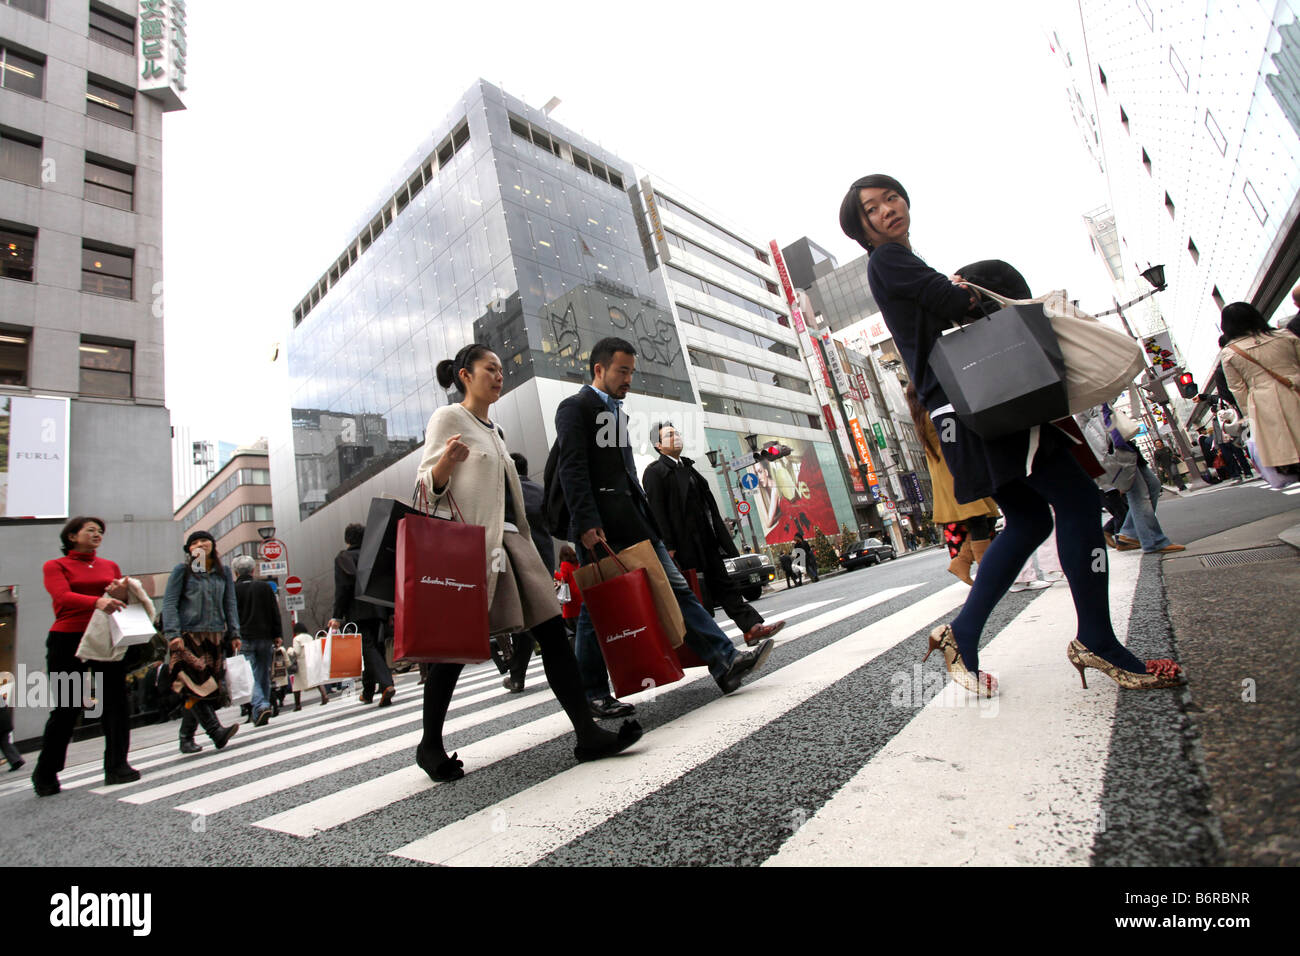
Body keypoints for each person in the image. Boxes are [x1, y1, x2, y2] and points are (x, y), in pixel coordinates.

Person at [839, 174, 1182, 693]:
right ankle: (1096, 638)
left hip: (962, 411)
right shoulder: (888, 260)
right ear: (861, 228)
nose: (888, 209)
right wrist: (963, 292)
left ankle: (964, 634)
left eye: (892, 197)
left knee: (1027, 520)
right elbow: (956, 306)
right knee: (1077, 502)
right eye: (873, 208)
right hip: (981, 405)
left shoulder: (899, 262)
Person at [414, 343, 643, 781]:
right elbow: (424, 490)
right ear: (465, 375)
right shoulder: (449, 419)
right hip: (474, 550)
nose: (499, 375)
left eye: (502, 369)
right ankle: (430, 745)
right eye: (490, 369)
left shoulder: (494, 430)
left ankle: (586, 732)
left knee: (553, 634)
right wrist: (446, 461)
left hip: (512, 544)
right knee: (452, 650)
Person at [554, 337, 775, 719]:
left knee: (677, 591)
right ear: (599, 369)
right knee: (596, 608)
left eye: (631, 372)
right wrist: (587, 523)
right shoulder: (575, 408)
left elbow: (625, 475)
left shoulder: (617, 414)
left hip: (637, 523)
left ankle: (724, 661)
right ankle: (591, 693)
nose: (628, 379)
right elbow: (572, 468)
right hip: (602, 529)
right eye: (623, 371)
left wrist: (651, 525)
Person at [642, 422, 785, 644]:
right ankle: (710, 646)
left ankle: (752, 627)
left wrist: (721, 538)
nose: (676, 436)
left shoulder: (689, 469)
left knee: (726, 586)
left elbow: (709, 508)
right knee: (699, 596)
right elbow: (657, 512)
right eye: (669, 435)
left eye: (677, 432)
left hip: (706, 541)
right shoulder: (655, 472)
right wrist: (668, 545)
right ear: (659, 446)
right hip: (682, 546)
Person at [31, 517, 135, 795]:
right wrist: (97, 600)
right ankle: (46, 773)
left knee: (115, 701)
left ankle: (117, 766)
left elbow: (121, 599)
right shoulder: (55, 566)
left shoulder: (109, 565)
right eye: (90, 530)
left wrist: (121, 593)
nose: (97, 534)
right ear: (72, 536)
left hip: (105, 636)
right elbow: (62, 596)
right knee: (68, 706)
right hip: (67, 637)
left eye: (100, 531)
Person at [905, 384, 998, 585]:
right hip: (958, 473)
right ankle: (987, 573)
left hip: (952, 475)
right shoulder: (935, 415)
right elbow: (953, 439)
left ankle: (962, 562)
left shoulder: (923, 419)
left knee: (984, 520)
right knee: (980, 521)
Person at [162, 530, 242, 754]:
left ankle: (186, 737)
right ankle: (216, 732)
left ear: (213, 544)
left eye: (204, 540)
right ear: (188, 549)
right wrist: (172, 634)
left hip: (215, 635)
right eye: (194, 542)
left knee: (201, 688)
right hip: (188, 636)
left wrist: (235, 633)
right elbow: (169, 604)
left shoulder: (222, 572)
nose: (200, 544)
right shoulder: (183, 571)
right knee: (195, 685)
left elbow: (230, 604)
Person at [1218, 301, 1300, 480]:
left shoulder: (1230, 352)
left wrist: (1249, 415)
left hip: (1264, 404)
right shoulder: (1285, 335)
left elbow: (1237, 388)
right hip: (1295, 389)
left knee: (1289, 456)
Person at [328, 524, 395, 708]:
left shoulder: (344, 558)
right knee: (374, 647)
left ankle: (386, 684)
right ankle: (367, 692)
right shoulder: (372, 555)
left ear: (347, 539)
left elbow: (342, 588)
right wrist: (390, 611)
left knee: (367, 648)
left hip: (357, 611)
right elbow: (386, 582)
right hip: (378, 608)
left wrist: (337, 616)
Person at [232, 555, 281, 726]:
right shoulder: (264, 587)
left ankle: (261, 705)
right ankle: (261, 708)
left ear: (235, 572)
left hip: (243, 637)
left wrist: (231, 637)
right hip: (265, 635)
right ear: (253, 570)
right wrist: (278, 634)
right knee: (263, 673)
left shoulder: (232, 590)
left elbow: (230, 616)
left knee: (250, 674)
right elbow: (274, 611)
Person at [287, 622, 330, 710]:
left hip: (302, 663)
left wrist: (289, 650)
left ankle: (298, 705)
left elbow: (297, 652)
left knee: (297, 685)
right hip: (311, 661)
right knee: (316, 680)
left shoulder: (297, 639)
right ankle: (324, 695)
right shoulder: (309, 637)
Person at [554, 544, 583, 637]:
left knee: (571, 621)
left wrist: (554, 573)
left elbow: (564, 578)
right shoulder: (577, 563)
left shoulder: (564, 564)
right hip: (580, 592)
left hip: (571, 595)